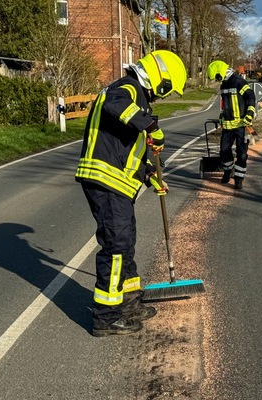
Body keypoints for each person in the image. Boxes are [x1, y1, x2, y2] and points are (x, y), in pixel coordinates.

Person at [75, 50, 187, 337]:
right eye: (166, 91)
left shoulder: (137, 99)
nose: (162, 97)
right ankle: (106, 316)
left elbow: (130, 150)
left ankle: (128, 303)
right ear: (158, 80)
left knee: (125, 243)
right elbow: (116, 106)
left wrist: (150, 175)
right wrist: (150, 125)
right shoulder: (125, 88)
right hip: (106, 180)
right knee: (115, 247)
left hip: (118, 183)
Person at [207, 60, 256, 190]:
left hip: (241, 125)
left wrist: (250, 113)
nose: (218, 80)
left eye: (217, 77)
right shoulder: (223, 86)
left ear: (221, 72)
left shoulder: (239, 82)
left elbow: (250, 97)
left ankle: (239, 179)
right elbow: (225, 104)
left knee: (242, 154)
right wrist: (222, 116)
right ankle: (228, 171)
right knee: (224, 151)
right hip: (228, 126)